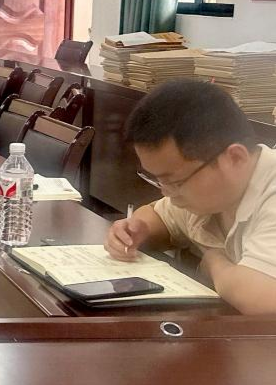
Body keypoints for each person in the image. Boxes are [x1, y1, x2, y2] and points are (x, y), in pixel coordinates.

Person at [105, 79, 276, 314]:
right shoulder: (210, 192)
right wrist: (135, 230)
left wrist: (214, 262)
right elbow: (159, 216)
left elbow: (263, 299)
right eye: (158, 180)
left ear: (235, 158)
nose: (165, 192)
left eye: (175, 182)